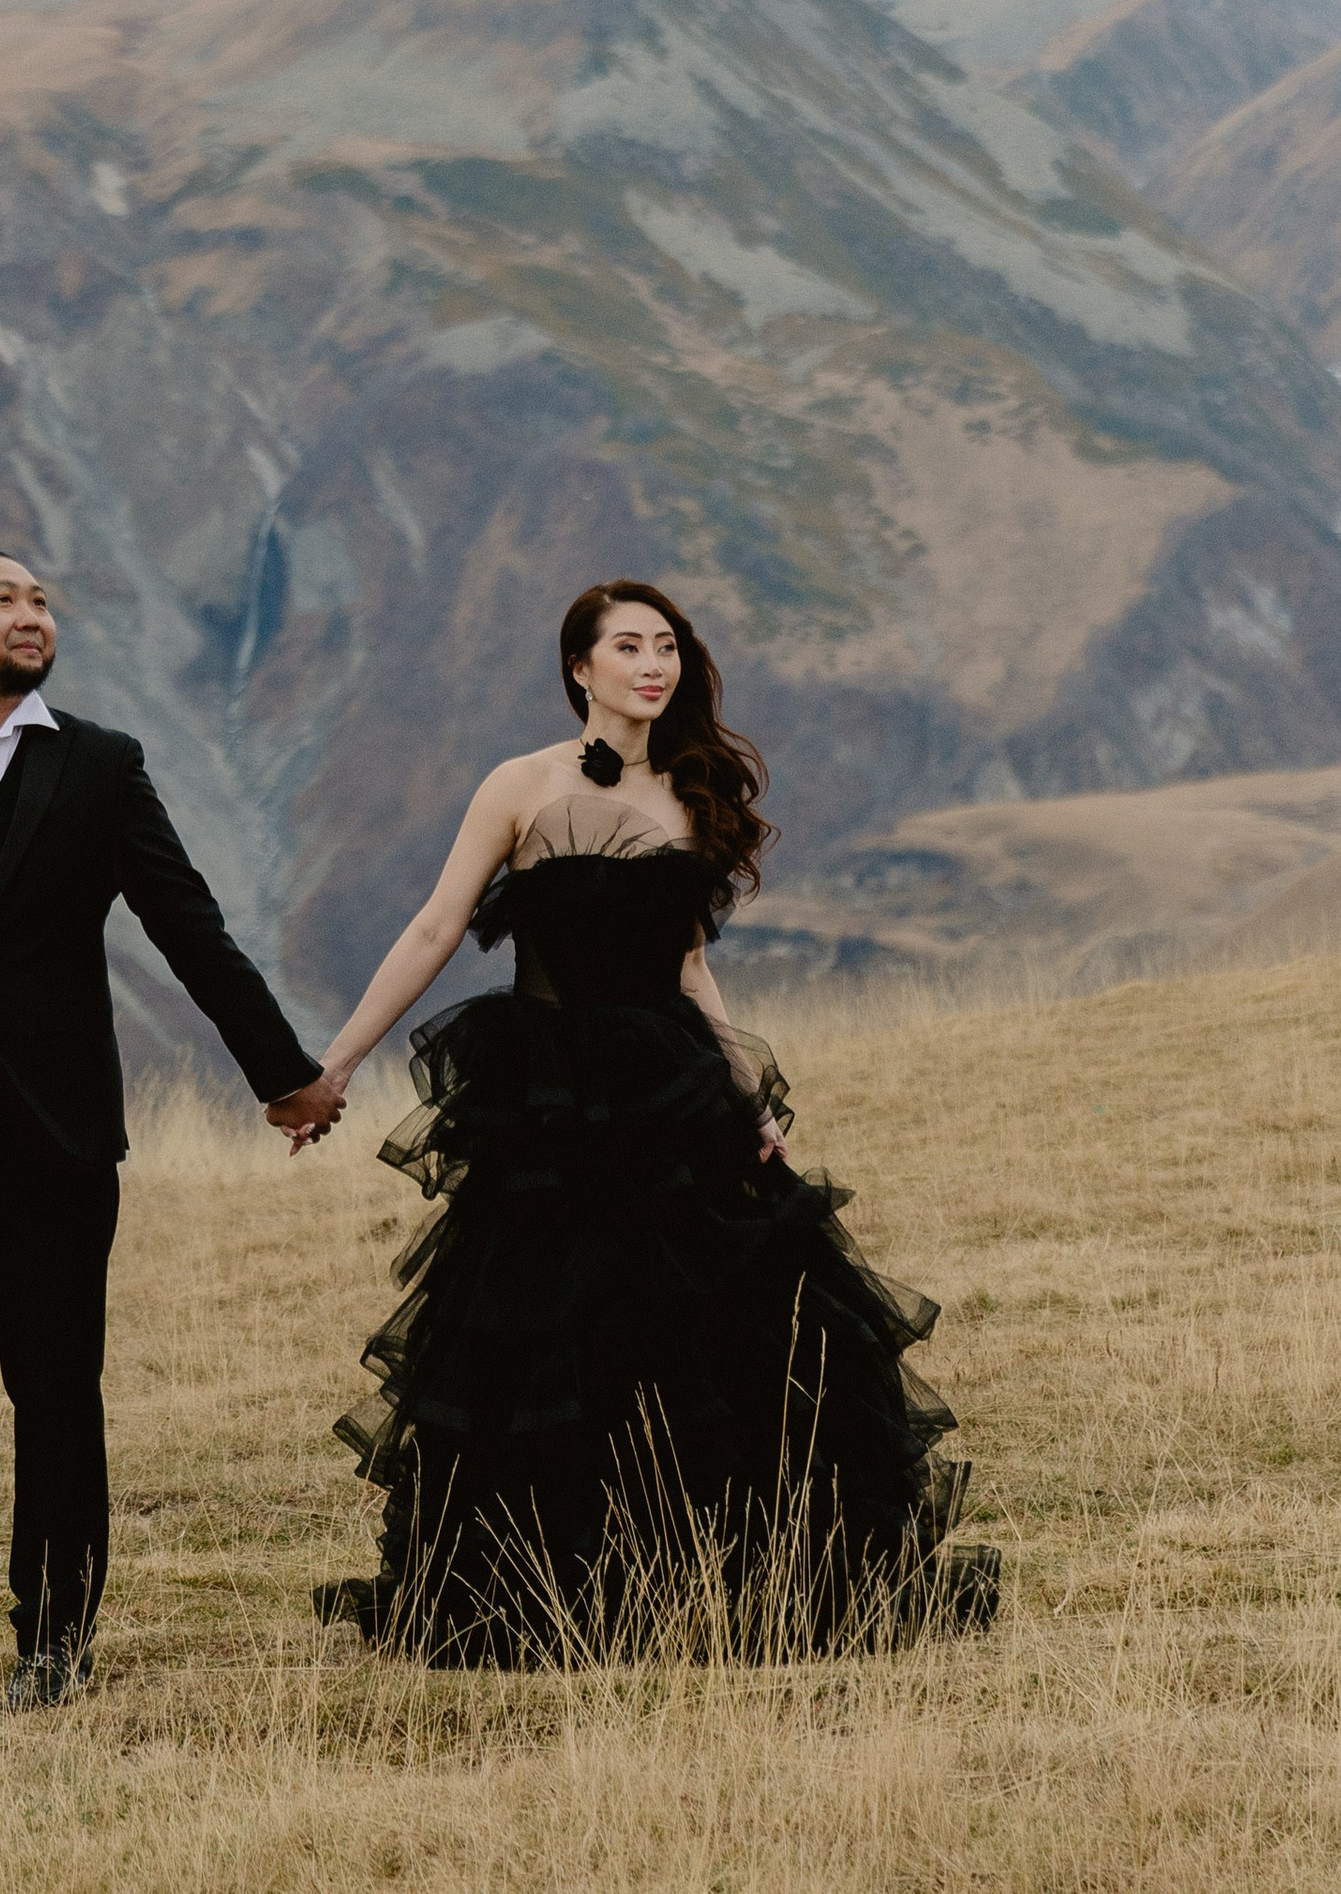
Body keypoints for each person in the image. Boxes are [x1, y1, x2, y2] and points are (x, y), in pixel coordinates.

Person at [307, 577, 997, 1658]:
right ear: (578, 667)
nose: (652, 664)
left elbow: (686, 967)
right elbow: (438, 924)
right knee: (550, 1341)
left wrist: (746, 1093)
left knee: (732, 1336)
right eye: (627, 645)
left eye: (666, 646)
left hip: (670, 1092)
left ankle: (736, 1588)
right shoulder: (519, 786)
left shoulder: (691, 787)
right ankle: (545, 1598)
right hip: (547, 1102)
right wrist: (336, 1065)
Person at [0, 546, 344, 1718]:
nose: (33, 616)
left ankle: (56, 1642)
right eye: (7, 599)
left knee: (55, 1390)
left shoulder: (98, 765)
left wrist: (280, 1074)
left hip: (57, 1132)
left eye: (40, 602)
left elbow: (189, 925)